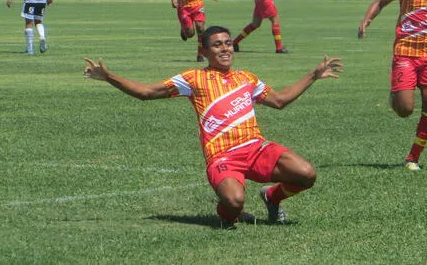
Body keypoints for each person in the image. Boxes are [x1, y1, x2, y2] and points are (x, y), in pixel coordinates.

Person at [83, 26, 343, 229]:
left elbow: (279, 101)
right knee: (233, 202)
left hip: (255, 148)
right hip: (223, 157)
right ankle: (229, 214)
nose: (225, 49)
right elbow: (147, 92)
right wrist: (109, 77)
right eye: (217, 45)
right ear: (204, 51)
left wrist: (313, 75)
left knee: (306, 174)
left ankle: (272, 197)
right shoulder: (193, 79)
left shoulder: (247, 78)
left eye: (228, 43)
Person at [358, 0, 427, 171]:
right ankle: (396, 97)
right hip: (406, 52)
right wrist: (367, 20)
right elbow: (382, 1)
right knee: (405, 109)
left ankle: (413, 157)